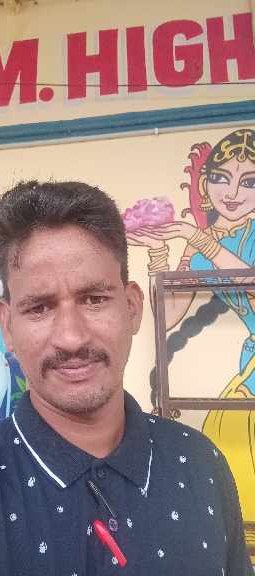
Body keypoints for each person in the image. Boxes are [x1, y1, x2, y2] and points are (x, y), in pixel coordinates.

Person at [0, 181, 251, 575]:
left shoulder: (200, 465)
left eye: (94, 299)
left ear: (132, 308)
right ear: (8, 326)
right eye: (40, 308)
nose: (71, 337)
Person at [126, 129, 255, 556]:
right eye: (221, 178)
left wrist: (195, 236)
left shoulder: (217, 239)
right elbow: (167, 315)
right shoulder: (203, 245)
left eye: (248, 181)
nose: (232, 193)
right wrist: (158, 252)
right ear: (205, 183)